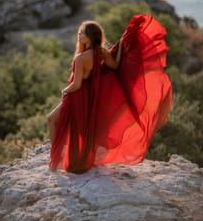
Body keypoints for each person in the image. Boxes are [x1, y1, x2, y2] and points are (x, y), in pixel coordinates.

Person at [48, 14, 172, 173]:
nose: (79, 35)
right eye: (79, 32)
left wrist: (64, 91)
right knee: (80, 128)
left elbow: (76, 84)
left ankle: (55, 159)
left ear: (90, 37)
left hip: (77, 95)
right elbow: (115, 66)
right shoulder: (102, 53)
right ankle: (65, 158)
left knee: (52, 119)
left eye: (82, 33)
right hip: (90, 96)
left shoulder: (80, 58)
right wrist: (120, 48)